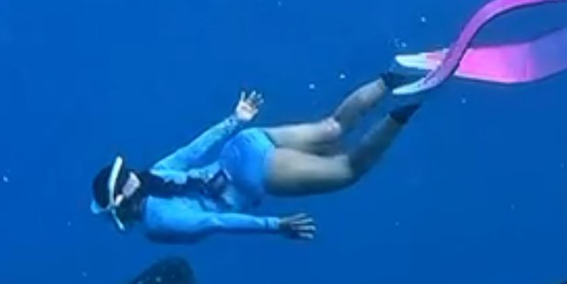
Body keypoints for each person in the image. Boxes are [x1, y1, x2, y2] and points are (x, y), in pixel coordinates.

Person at [89, 73, 421, 244]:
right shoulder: (155, 173)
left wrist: (275, 226)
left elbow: (214, 222)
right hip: (243, 145)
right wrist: (235, 120)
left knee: (347, 169)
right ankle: (392, 78)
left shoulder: (157, 222)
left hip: (251, 175)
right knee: (332, 127)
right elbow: (195, 148)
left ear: (119, 206)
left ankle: (411, 106)